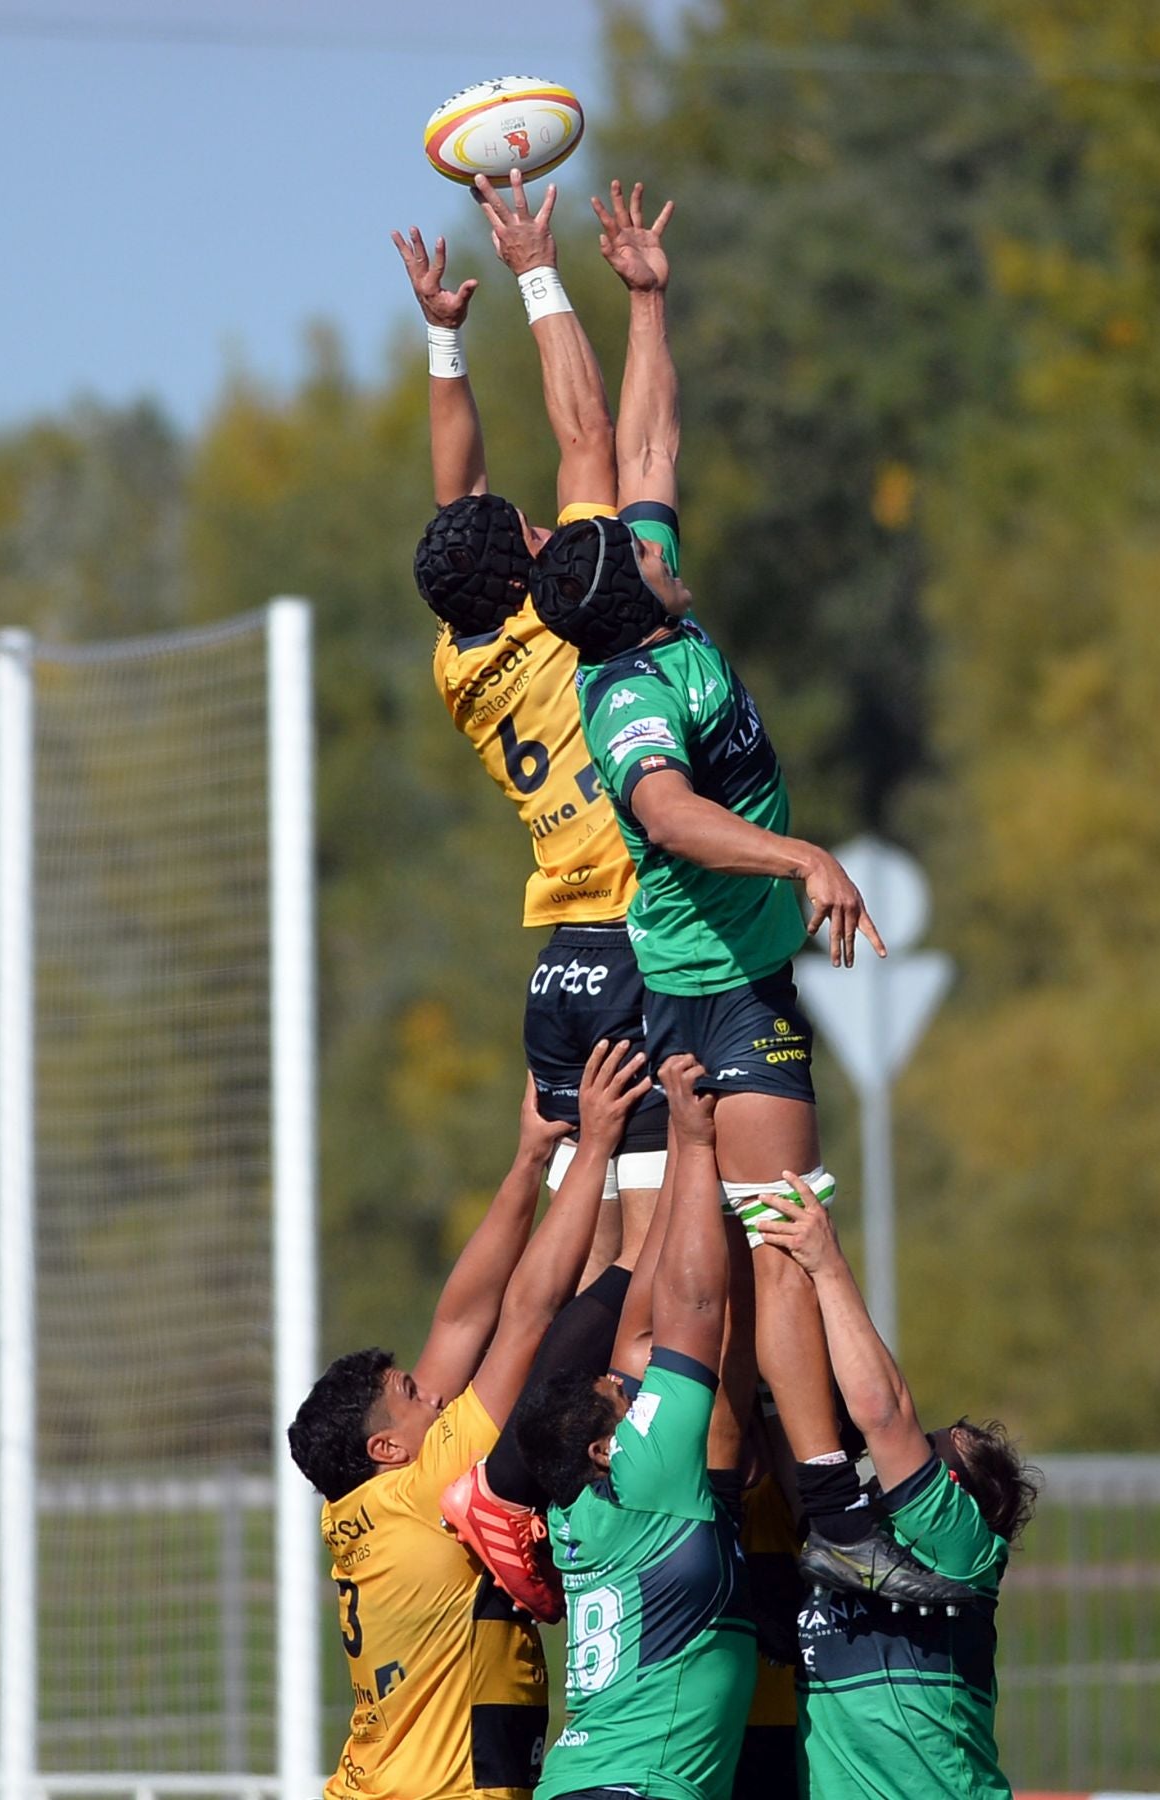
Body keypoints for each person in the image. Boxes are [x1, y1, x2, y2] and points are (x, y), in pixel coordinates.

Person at [527, 281, 940, 1590]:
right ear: (634, 589)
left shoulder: (653, 611)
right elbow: (665, 811)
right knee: (777, 1237)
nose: (657, 530)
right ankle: (827, 1506)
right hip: (716, 988)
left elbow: (644, 444)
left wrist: (645, 300)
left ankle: (740, 1474)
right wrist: (798, 853)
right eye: (644, 542)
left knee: (738, 1239)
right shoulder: (637, 689)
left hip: (729, 972)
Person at [397, 173, 677, 1285]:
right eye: (531, 525)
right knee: (663, 1281)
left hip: (560, 965)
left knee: (590, 1274)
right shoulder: (577, 612)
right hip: (637, 933)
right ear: (532, 567)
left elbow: (456, 504)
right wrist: (535, 273)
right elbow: (591, 430)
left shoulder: (460, 656)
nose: (542, 515)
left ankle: (578, 1454)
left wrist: (443, 343)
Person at [287, 1041, 648, 1800]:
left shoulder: (371, 1504)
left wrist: (531, 1159)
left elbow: (462, 1322)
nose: (438, 1397)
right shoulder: (421, 1497)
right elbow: (524, 1319)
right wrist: (601, 1148)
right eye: (416, 1397)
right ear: (385, 1446)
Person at [514, 1055, 758, 1800]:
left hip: (602, 1783)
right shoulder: (641, 1479)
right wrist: (695, 1139)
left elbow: (637, 1348)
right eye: (615, 1396)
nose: (624, 1386)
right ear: (602, 1448)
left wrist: (679, 1154)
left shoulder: (585, 1503)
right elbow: (690, 1311)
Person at [755, 1179, 1041, 1800]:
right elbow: (787, 1428)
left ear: (961, 1493)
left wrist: (827, 1263)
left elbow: (885, 1415)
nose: (900, 1460)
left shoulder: (961, 1551)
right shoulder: (846, 1536)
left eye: (932, 1450)